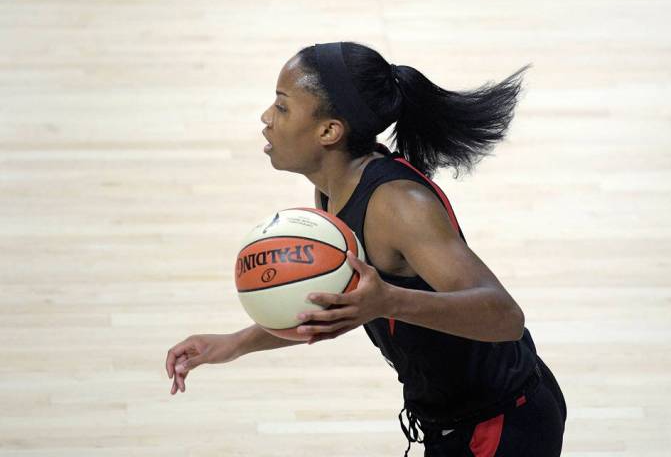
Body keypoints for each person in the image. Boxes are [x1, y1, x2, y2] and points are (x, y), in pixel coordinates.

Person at [165, 41, 567, 456]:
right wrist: (233, 344)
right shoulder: (331, 192)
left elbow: (505, 317)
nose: (266, 118)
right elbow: (344, 305)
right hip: (453, 423)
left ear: (329, 131)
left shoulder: (398, 205)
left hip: (503, 428)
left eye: (282, 107)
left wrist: (389, 301)